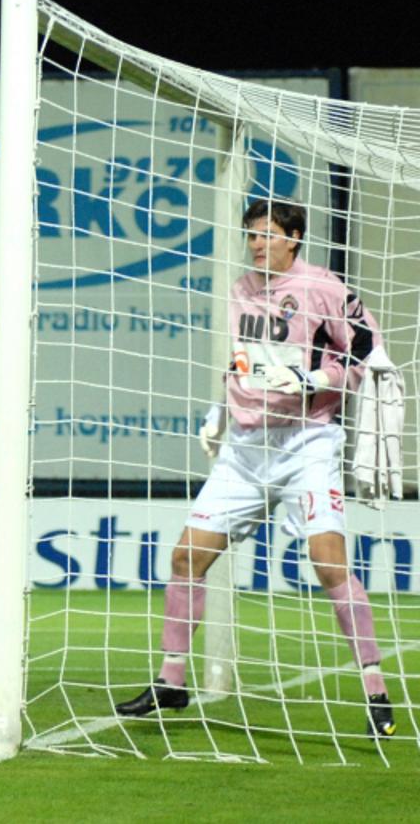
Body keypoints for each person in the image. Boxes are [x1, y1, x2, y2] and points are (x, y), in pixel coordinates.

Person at [115, 199, 397, 738]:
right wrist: (221, 408)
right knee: (186, 555)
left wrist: (313, 382)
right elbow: (244, 355)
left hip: (306, 441)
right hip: (245, 447)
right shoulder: (240, 289)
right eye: (250, 235)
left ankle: (377, 691)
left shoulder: (323, 287)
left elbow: (367, 352)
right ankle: (172, 681)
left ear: (294, 237)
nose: (256, 244)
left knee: (328, 562)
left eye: (267, 235)